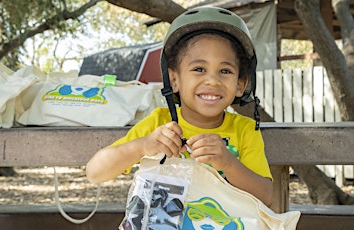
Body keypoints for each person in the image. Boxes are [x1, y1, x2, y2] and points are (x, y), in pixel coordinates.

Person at [86, 6, 273, 207]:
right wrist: (142, 146)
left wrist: (228, 163)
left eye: (225, 71)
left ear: (240, 85)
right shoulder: (159, 123)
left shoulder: (245, 130)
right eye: (199, 69)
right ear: (174, 79)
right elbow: (95, 172)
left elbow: (266, 197)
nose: (212, 80)